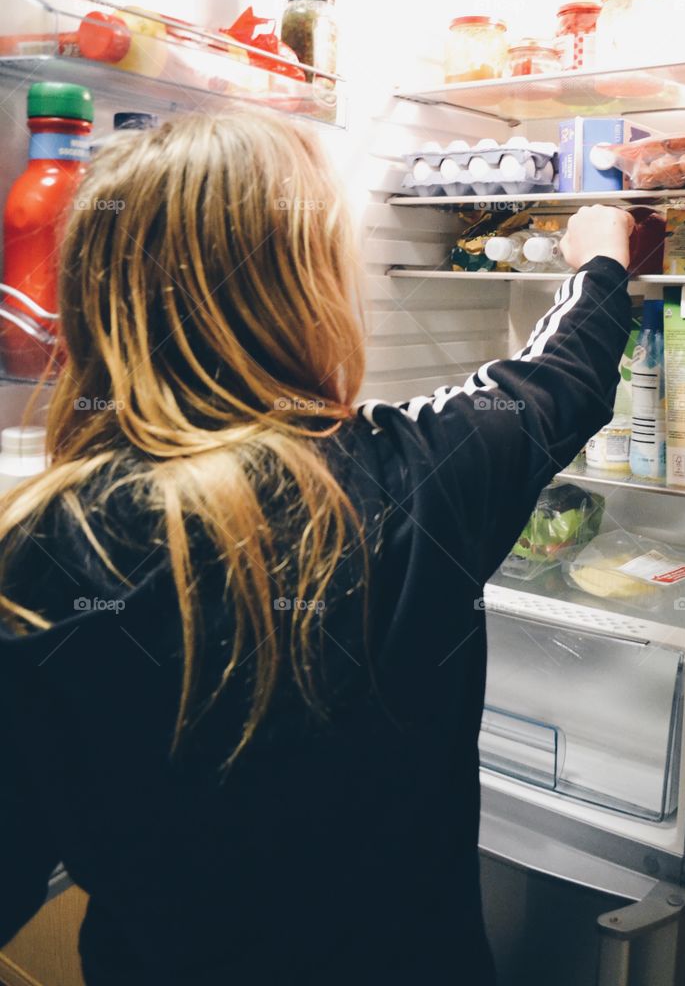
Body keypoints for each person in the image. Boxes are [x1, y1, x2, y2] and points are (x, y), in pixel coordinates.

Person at [0, 109, 632, 986]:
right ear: (304, 288)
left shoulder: (37, 549)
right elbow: (562, 377)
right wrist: (600, 258)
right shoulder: (419, 476)